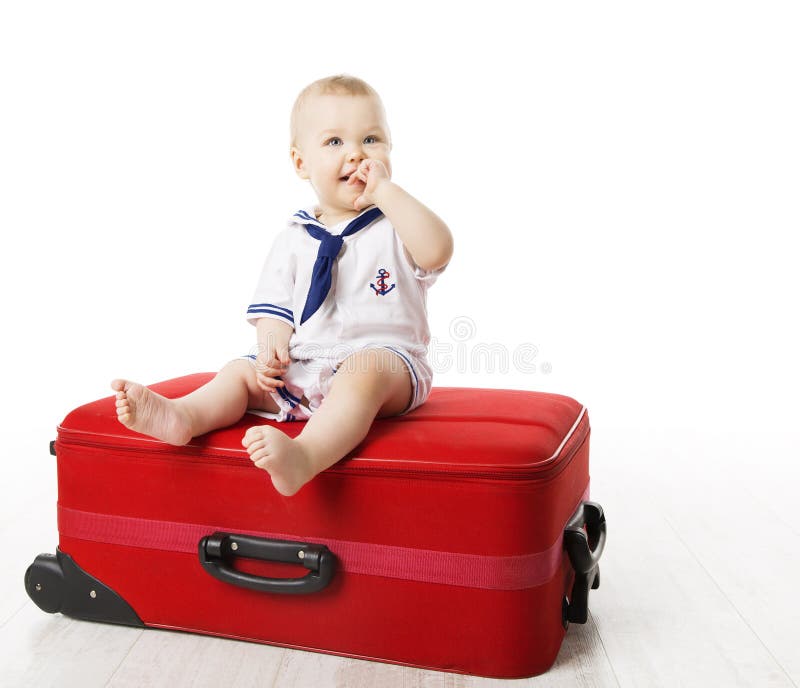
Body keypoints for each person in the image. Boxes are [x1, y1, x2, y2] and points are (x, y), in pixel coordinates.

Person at [110, 74, 453, 497]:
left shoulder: (395, 223)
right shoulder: (294, 236)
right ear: (300, 162)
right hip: (308, 362)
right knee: (241, 372)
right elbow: (273, 309)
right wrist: (273, 344)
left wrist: (386, 192)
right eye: (334, 143)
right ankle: (185, 416)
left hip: (388, 364)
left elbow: (437, 249)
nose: (356, 155)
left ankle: (304, 456)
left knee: (364, 375)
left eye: (371, 139)